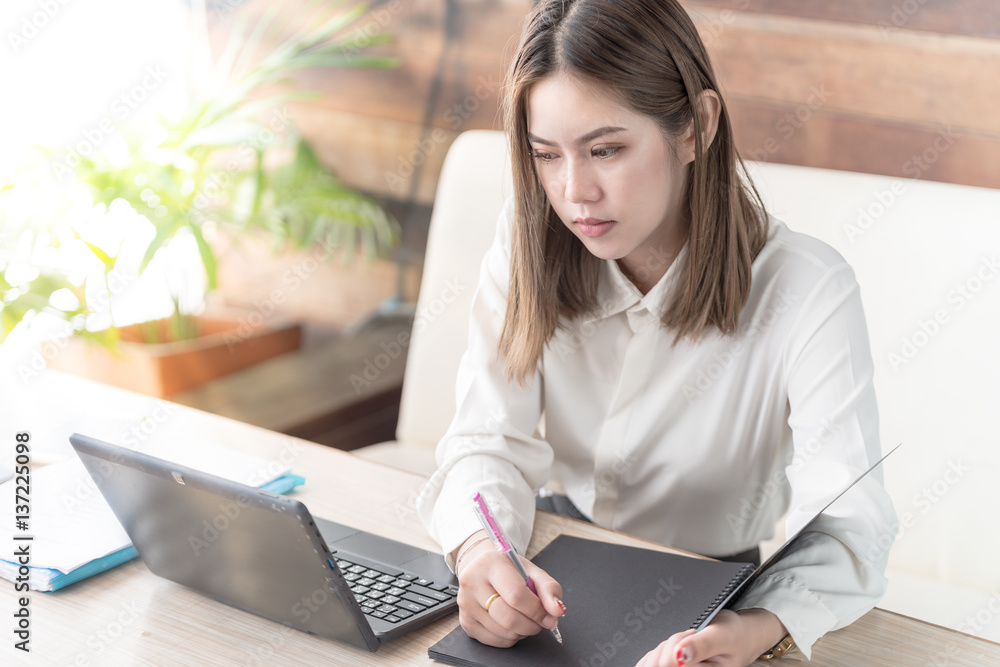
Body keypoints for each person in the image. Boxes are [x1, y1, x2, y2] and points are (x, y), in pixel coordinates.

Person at [415, 0, 898, 665]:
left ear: (696, 126)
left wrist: (757, 627)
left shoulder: (808, 289)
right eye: (546, 155)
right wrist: (479, 549)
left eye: (606, 149)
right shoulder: (526, 242)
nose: (574, 191)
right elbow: (487, 438)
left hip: (715, 590)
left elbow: (848, 523)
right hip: (555, 557)